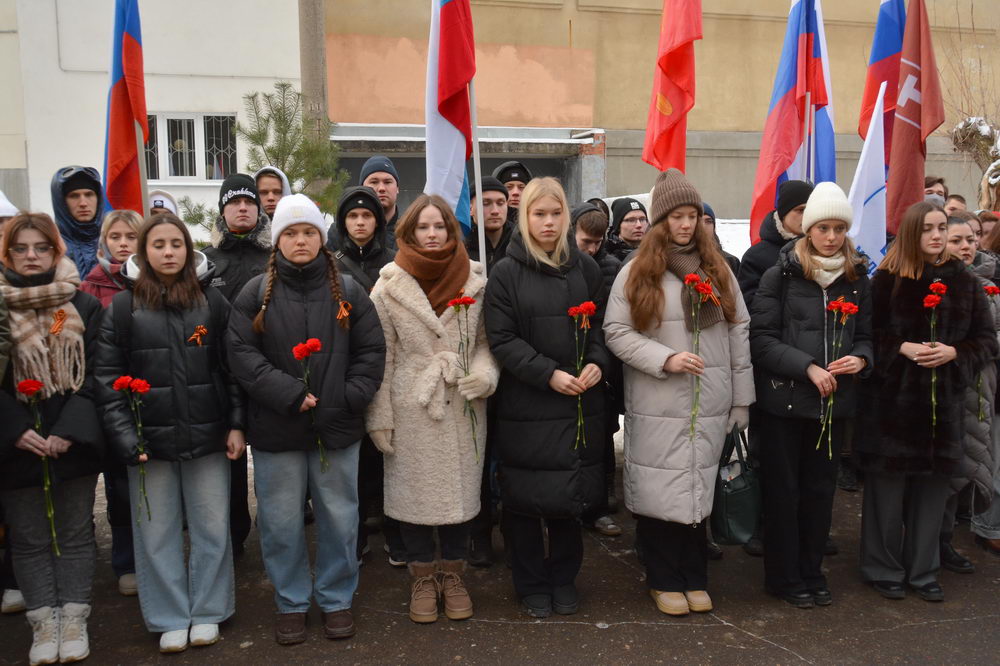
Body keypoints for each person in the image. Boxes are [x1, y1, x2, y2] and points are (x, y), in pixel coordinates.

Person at [227, 194, 385, 645]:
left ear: (321, 236)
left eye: (308, 232)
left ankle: (336, 598)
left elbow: (372, 352)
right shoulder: (255, 293)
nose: (300, 240)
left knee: (340, 517)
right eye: (291, 233)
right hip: (278, 427)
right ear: (277, 241)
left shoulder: (349, 290)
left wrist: (348, 396)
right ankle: (291, 601)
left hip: (337, 426)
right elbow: (240, 355)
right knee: (279, 521)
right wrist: (289, 393)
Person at [603, 169, 753, 617]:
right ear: (659, 221)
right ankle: (663, 578)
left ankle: (694, 576)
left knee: (698, 488)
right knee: (658, 491)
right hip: (658, 399)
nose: (686, 225)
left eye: (692, 216)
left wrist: (741, 398)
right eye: (676, 217)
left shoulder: (718, 270)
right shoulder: (637, 272)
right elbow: (616, 331)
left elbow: (738, 331)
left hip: (710, 399)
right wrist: (663, 359)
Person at [95, 213, 244, 653]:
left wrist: (236, 424)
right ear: (144, 252)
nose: (168, 253)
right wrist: (126, 436)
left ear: (187, 248)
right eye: (158, 245)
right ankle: (168, 615)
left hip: (209, 437)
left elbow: (232, 369)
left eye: (175, 244)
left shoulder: (211, 302)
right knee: (155, 531)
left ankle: (210, 611)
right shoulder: (124, 308)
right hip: (149, 443)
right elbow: (106, 378)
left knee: (211, 527)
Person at [856, 202, 998, 602]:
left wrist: (955, 353)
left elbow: (985, 340)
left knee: (932, 493)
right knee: (886, 491)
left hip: (943, 406)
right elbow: (869, 335)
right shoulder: (887, 279)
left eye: (941, 228)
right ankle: (882, 567)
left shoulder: (965, 282)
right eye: (928, 229)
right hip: (893, 405)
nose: (936, 237)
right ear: (911, 234)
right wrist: (901, 346)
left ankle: (923, 569)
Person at [365, 195, 498, 623]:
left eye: (439, 226)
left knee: (459, 495)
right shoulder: (388, 285)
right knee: (415, 496)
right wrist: (379, 415)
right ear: (408, 232)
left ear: (451, 229)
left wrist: (484, 374)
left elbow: (484, 343)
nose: (432, 234)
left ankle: (454, 575)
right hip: (411, 403)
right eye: (423, 227)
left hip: (461, 401)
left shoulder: (476, 279)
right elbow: (380, 355)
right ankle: (422, 576)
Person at [484, 177, 608, 618]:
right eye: (539, 214)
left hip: (579, 401)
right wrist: (547, 373)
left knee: (568, 498)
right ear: (525, 217)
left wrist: (597, 362)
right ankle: (531, 581)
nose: (549, 222)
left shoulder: (586, 269)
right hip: (528, 404)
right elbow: (502, 339)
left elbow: (602, 331)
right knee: (524, 500)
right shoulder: (506, 273)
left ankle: (563, 578)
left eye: (556, 214)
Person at [749, 182, 873, 609]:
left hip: (833, 408)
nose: (832, 237)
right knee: (784, 493)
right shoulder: (780, 275)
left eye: (840, 228)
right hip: (785, 404)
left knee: (821, 494)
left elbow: (868, 336)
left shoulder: (856, 280)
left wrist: (861, 358)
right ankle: (783, 577)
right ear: (808, 230)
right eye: (824, 227)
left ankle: (811, 570)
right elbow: (761, 340)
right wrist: (806, 367)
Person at [0, 212, 104, 665]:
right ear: (7, 255)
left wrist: (68, 430)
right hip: (16, 443)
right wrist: (15, 429)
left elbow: (99, 373)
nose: (30, 256)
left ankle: (75, 617)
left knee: (76, 532)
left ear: (55, 251)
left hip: (70, 441)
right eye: (20, 249)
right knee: (28, 537)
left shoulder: (81, 306)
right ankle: (43, 622)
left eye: (40, 247)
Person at [326, 186, 403, 567]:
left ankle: (396, 534)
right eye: (353, 216)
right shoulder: (331, 263)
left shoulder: (395, 261)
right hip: (347, 371)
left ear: (378, 221)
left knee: (390, 458)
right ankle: (354, 539)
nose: (360, 222)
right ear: (343, 222)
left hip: (391, 372)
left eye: (367, 216)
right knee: (352, 466)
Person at [203, 173, 270, 559]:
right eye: (234, 202)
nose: (242, 208)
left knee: (270, 461)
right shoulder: (207, 264)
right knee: (227, 462)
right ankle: (232, 538)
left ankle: (273, 532)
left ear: (259, 209)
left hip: (266, 375)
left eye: (249, 202)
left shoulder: (274, 257)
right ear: (223, 210)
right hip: (221, 379)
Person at [78, 209, 143, 599]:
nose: (122, 243)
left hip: (146, 399)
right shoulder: (90, 287)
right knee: (116, 488)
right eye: (115, 236)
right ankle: (123, 560)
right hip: (106, 398)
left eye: (130, 237)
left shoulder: (152, 284)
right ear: (104, 241)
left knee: (139, 486)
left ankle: (143, 558)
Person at [937, 218, 1000, 574]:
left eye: (972, 239)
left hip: (982, 386)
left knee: (970, 460)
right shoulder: (937, 284)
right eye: (957, 239)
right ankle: (929, 542)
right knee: (945, 469)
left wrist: (981, 346)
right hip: (945, 386)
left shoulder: (990, 286)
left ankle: (946, 540)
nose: (966, 246)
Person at [571, 202, 623, 537]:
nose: (591, 248)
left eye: (597, 242)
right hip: (566, 366)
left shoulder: (611, 267)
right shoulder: (562, 265)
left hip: (598, 368)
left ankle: (598, 508)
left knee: (600, 443)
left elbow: (610, 323)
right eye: (585, 241)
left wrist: (598, 362)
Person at [738, 180, 813, 308]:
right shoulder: (755, 257)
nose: (807, 216)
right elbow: (749, 306)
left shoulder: (823, 249)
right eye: (800, 210)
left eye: (811, 210)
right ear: (783, 213)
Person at [50, 166, 105, 278]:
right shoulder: (50, 244)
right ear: (61, 202)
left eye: (89, 194)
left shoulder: (114, 239)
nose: (83, 203)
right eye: (74, 196)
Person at [466, 177, 513, 271]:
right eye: (486, 203)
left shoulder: (522, 242)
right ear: (470, 208)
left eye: (500, 203)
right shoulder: (459, 245)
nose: (495, 211)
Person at [359, 156, 401, 249]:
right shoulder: (342, 233)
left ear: (397, 188)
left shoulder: (411, 233)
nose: (381, 188)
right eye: (374, 182)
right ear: (362, 188)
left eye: (387, 182)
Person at [606, 197, 649, 262]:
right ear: (618, 226)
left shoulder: (656, 251)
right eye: (631, 220)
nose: (639, 225)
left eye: (642, 219)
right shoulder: (606, 257)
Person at [702, 202, 740, 275]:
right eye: (699, 221)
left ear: (714, 227)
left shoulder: (731, 261)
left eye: (708, 221)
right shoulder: (680, 261)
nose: (703, 226)